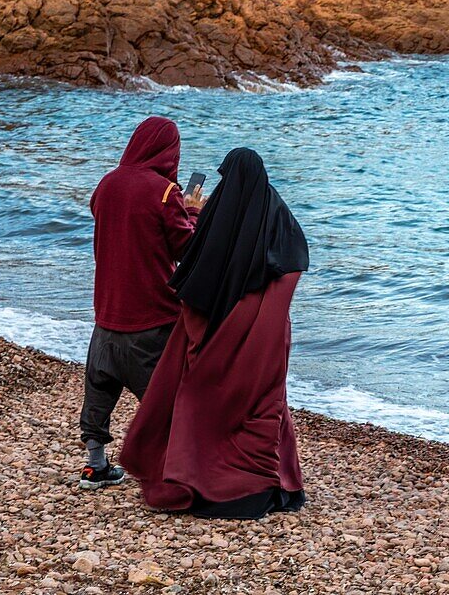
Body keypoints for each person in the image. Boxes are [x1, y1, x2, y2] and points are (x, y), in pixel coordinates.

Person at [120, 147, 309, 519]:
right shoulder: (278, 218)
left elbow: (192, 270)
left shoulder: (216, 217)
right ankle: (266, 485)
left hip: (212, 330)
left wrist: (194, 210)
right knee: (262, 404)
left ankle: (198, 480)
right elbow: (291, 263)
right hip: (259, 334)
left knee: (203, 400)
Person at [78, 116, 206, 490]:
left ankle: (95, 465)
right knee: (167, 398)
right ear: (170, 151)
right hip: (152, 313)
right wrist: (193, 209)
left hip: (108, 308)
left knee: (100, 389)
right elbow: (186, 248)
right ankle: (170, 471)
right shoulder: (165, 193)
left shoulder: (106, 184)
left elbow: (109, 218)